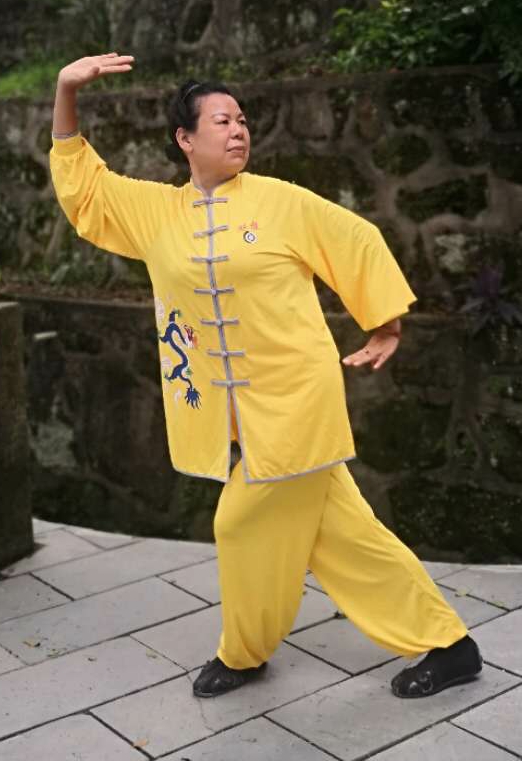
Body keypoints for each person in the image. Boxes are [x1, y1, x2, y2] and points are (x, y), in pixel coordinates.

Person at [50, 52, 483, 701]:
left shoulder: (280, 201)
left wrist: (385, 322)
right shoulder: (155, 213)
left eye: (243, 120)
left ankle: (245, 652)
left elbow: (355, 239)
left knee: (238, 523)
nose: (238, 131)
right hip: (239, 415)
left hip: (297, 398)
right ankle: (451, 646)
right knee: (343, 535)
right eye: (222, 121)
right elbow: (86, 191)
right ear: (185, 138)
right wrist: (65, 91)